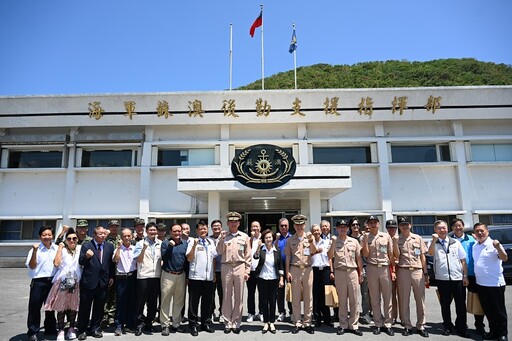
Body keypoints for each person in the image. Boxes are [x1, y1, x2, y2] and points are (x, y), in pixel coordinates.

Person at [428, 219, 469, 337]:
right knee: (445, 304)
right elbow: (430, 253)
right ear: (435, 230)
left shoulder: (456, 243)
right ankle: (447, 326)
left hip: (457, 278)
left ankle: (461, 327)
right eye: (439, 228)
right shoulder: (433, 243)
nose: (442, 230)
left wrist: (465, 276)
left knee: (460, 304)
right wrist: (433, 241)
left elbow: (463, 260)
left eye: (444, 227)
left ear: (447, 229)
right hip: (442, 279)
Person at [77, 226, 115, 340]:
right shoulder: (86, 245)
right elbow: (81, 261)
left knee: (99, 308)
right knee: (85, 307)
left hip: (103, 282)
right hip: (88, 282)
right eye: (100, 234)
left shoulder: (109, 246)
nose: (103, 235)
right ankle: (82, 330)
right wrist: (86, 256)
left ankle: (95, 328)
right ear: (94, 234)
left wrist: (111, 276)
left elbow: (111, 263)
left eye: (104, 234)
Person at [216, 211, 251, 334]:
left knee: (239, 296)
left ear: (239, 223)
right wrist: (221, 239)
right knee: (226, 296)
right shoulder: (224, 236)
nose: (233, 223)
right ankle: (227, 322)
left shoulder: (244, 237)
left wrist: (247, 270)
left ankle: (236, 322)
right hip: (226, 267)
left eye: (235, 221)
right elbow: (219, 252)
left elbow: (248, 255)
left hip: (239, 267)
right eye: (231, 221)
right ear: (227, 223)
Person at [393, 217, 429, 337]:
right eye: (402, 224)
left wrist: (425, 272)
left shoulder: (417, 238)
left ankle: (421, 325)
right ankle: (407, 325)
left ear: (410, 225)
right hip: (403, 271)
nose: (404, 226)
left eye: (406, 224)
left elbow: (422, 256)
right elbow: (396, 256)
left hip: (417, 270)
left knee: (420, 299)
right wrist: (394, 243)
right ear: (399, 227)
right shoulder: (397, 239)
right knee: (404, 299)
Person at [44, 228, 82, 341]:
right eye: (69, 239)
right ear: (65, 240)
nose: (72, 240)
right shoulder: (62, 249)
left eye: (74, 238)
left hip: (76, 281)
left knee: (73, 307)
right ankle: (60, 330)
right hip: (62, 281)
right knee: (61, 307)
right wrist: (60, 248)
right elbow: (56, 263)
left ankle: (71, 328)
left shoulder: (80, 249)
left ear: (77, 239)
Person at [473, 222, 508, 341]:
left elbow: (504, 258)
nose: (480, 233)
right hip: (481, 284)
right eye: (477, 231)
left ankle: (503, 334)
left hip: (495, 284)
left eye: (482, 230)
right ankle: (493, 331)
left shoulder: (494, 244)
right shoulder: (475, 245)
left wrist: (498, 247)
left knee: (499, 311)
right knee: (488, 311)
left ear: (487, 231)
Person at [328, 219, 363, 336]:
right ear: (337, 229)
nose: (342, 229)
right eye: (340, 227)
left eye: (345, 227)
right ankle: (343, 324)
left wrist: (361, 273)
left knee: (354, 300)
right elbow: (330, 256)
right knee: (342, 300)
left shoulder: (354, 242)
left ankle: (354, 324)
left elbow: (359, 258)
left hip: (352, 272)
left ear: (348, 228)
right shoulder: (333, 241)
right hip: (340, 272)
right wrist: (333, 243)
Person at [361, 215, 395, 336]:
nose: (373, 224)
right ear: (368, 225)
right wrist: (365, 241)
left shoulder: (386, 237)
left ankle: (388, 323)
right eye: (371, 223)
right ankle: (378, 324)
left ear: (379, 224)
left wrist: (393, 270)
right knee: (374, 298)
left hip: (385, 268)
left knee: (387, 297)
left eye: (375, 222)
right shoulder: (365, 237)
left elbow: (391, 254)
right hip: (371, 268)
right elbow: (365, 254)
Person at [451, 218, 485, 335]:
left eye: (460, 225)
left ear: (463, 226)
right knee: (460, 302)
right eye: (455, 226)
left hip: (473, 274)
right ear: (452, 228)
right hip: (457, 276)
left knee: (477, 301)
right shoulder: (450, 241)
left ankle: (479, 326)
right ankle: (461, 325)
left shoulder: (472, 239)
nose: (458, 228)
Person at [284, 214, 317, 334]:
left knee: (309, 297)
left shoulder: (309, 237)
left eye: (301, 224)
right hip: (295, 269)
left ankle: (307, 322)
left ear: (304, 225)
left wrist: (311, 241)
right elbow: (288, 256)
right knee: (296, 297)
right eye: (297, 224)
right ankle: (297, 321)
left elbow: (314, 251)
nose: (299, 226)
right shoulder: (290, 240)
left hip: (308, 269)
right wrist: (287, 272)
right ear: (294, 225)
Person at [26, 226, 58, 341]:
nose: (47, 237)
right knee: (34, 308)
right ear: (40, 236)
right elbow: (32, 266)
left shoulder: (56, 248)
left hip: (52, 281)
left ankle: (50, 329)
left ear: (52, 236)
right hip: (38, 282)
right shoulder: (35, 249)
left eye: (49, 234)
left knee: (50, 308)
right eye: (44, 235)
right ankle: (33, 332)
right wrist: (34, 251)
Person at [186, 221, 217, 336]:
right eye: (201, 229)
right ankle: (193, 324)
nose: (203, 231)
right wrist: (195, 245)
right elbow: (189, 258)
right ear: (197, 231)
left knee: (207, 302)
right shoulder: (191, 241)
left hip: (208, 278)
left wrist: (213, 273)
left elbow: (213, 259)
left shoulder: (211, 242)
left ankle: (205, 323)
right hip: (195, 277)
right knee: (194, 302)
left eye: (205, 229)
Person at [133, 222, 162, 336]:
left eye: (154, 230)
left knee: (153, 303)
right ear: (146, 231)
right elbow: (138, 260)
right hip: (143, 276)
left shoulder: (160, 243)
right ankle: (139, 325)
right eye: (151, 230)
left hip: (156, 276)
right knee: (140, 302)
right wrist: (144, 249)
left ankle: (149, 324)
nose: (153, 232)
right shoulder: (140, 244)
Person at [253, 229, 284, 334]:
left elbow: (280, 265)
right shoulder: (261, 249)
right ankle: (266, 322)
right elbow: (255, 256)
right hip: (262, 278)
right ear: (264, 239)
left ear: (273, 238)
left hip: (274, 278)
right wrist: (258, 246)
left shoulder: (277, 250)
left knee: (273, 300)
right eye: (266, 238)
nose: (268, 239)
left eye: (270, 237)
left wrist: (281, 278)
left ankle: (272, 322)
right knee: (264, 301)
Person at [160, 223, 188, 335]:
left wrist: (187, 276)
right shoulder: (165, 243)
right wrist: (170, 247)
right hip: (168, 275)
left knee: (179, 301)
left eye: (179, 231)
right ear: (171, 232)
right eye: (175, 231)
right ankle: (165, 325)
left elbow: (186, 261)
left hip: (181, 275)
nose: (177, 233)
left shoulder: (184, 243)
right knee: (165, 301)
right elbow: (164, 257)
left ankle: (176, 324)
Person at [112, 228, 137, 335]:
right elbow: (115, 260)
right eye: (124, 236)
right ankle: (119, 325)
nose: (127, 238)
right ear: (121, 237)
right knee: (121, 302)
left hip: (133, 277)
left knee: (132, 302)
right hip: (121, 278)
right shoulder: (118, 249)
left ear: (131, 237)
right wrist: (118, 248)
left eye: (128, 236)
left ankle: (129, 324)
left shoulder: (135, 248)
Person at [349, 217, 371, 325]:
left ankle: (366, 313)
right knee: (353, 293)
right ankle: (354, 314)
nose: (355, 226)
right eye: (353, 225)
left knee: (365, 293)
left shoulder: (363, 238)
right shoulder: (347, 238)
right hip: (351, 268)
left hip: (364, 266)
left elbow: (366, 253)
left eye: (357, 225)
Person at [311, 223, 333, 328]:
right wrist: (315, 252)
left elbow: (330, 257)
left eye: (317, 230)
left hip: (325, 270)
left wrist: (332, 271)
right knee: (316, 295)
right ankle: (317, 318)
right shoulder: (309, 243)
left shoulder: (327, 242)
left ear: (320, 231)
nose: (316, 232)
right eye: (314, 230)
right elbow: (307, 256)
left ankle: (327, 318)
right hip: (314, 270)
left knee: (326, 294)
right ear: (312, 232)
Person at [102, 220, 121, 328]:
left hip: (118, 271)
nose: (114, 228)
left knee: (114, 295)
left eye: (116, 226)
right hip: (107, 270)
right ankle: (104, 316)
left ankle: (111, 316)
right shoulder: (105, 239)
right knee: (105, 294)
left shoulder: (120, 239)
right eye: (112, 226)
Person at [276, 217, 293, 322]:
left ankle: (292, 312)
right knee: (280, 292)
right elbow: (272, 250)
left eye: (286, 225)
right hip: (279, 267)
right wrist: (276, 240)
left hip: (291, 267)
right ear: (279, 227)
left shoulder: (292, 237)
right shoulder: (277, 239)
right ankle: (281, 312)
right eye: (282, 225)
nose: (284, 227)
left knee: (291, 291)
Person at [247, 220, 263, 323]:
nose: (255, 229)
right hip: (250, 270)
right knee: (250, 293)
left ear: (260, 228)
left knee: (262, 293)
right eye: (253, 227)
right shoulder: (248, 239)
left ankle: (261, 312)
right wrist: (252, 238)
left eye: (257, 227)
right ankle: (251, 313)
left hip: (261, 270)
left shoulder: (264, 238)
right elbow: (247, 250)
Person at [386, 219, 400, 324]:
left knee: (402, 295)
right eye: (390, 228)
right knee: (390, 294)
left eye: (394, 228)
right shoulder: (384, 239)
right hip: (388, 269)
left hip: (400, 269)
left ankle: (403, 317)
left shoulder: (401, 239)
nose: (392, 230)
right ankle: (392, 316)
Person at [210, 219, 224, 322]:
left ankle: (222, 312)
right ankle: (211, 312)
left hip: (223, 270)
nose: (216, 228)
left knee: (222, 293)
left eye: (218, 226)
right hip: (211, 270)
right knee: (210, 293)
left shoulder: (225, 238)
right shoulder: (208, 239)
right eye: (214, 226)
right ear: (211, 228)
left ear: (221, 227)